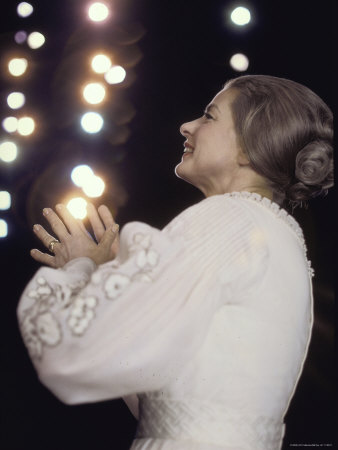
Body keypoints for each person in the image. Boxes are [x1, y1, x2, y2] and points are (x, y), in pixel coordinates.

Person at [17, 75, 333, 450]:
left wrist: (80, 270)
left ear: (251, 144)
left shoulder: (227, 219)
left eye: (209, 116)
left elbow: (69, 357)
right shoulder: (278, 234)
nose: (187, 126)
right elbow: (165, 401)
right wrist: (107, 273)